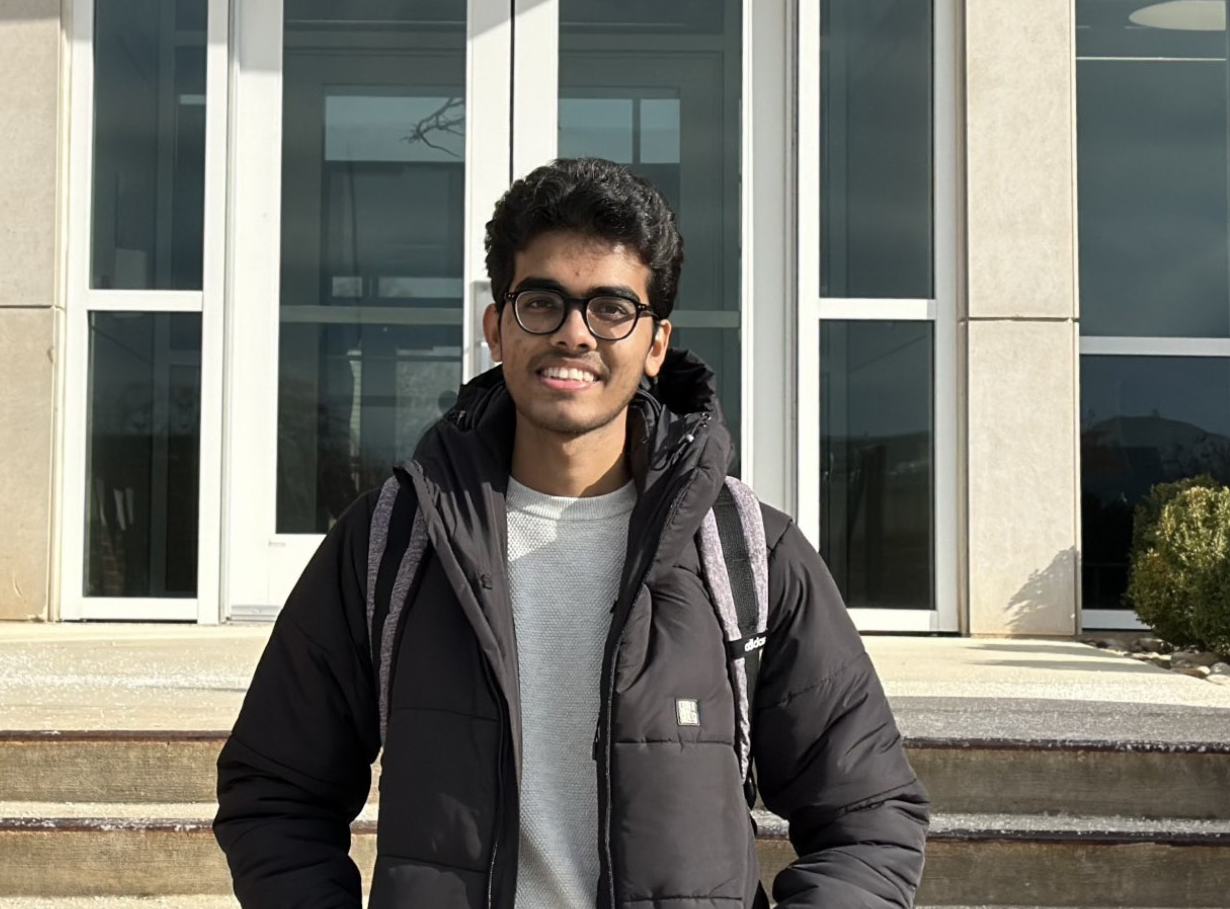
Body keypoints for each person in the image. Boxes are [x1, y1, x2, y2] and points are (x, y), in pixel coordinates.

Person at [216, 157, 928, 909]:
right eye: (543, 302)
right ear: (497, 327)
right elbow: (276, 790)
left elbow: (869, 815)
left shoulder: (748, 551)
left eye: (612, 309)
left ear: (655, 344)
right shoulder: (390, 541)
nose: (574, 335)